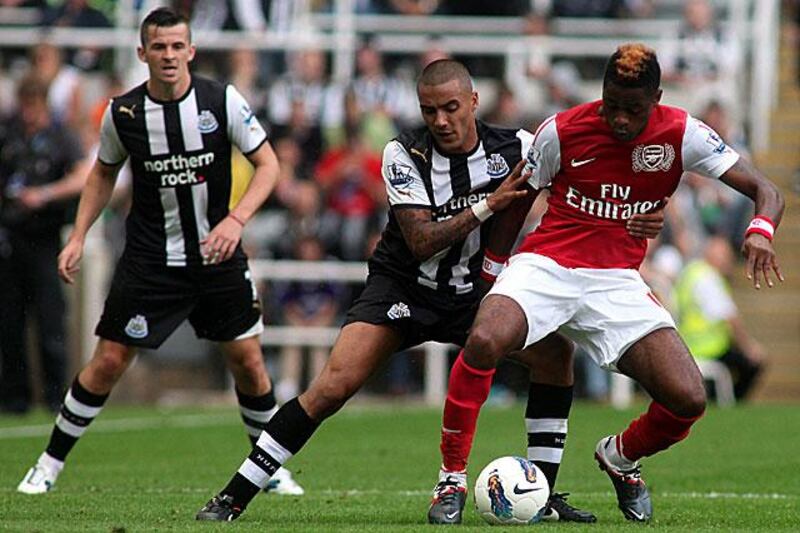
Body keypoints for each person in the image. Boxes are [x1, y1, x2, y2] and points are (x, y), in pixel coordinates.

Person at [194, 58, 665, 523]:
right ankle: (234, 496)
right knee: (332, 387)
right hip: (404, 290)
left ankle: (539, 494)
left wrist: (637, 214)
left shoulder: (517, 146)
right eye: (429, 110)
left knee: (554, 358)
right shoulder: (404, 153)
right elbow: (420, 242)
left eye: (451, 107)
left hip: (477, 293)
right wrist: (487, 206)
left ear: (474, 102)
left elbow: (588, 182)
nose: (440, 120)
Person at [439, 43, 784, 522]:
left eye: (633, 110)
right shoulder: (561, 130)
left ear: (657, 98)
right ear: (600, 92)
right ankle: (450, 482)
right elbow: (519, 200)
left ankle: (620, 457)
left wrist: (760, 231)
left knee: (688, 399)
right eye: (611, 105)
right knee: (484, 338)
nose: (620, 119)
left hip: (617, 281)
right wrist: (492, 273)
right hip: (548, 264)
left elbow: (766, 191)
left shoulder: (684, 134)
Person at [16, 7, 302, 497]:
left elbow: (269, 164)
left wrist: (235, 221)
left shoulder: (222, 100)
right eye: (159, 47)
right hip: (151, 259)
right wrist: (80, 235)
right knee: (108, 360)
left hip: (217, 253)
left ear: (190, 50)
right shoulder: (123, 113)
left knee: (248, 362)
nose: (168, 56)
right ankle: (47, 464)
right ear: (142, 53)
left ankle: (268, 468)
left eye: (177, 46)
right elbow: (103, 173)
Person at [0, 73, 90, 414]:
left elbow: (83, 176)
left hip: (45, 237)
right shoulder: (8, 133)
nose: (28, 115)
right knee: (10, 321)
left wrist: (44, 194)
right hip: (10, 237)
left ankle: (55, 396)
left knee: (51, 319)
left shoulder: (60, 136)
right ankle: (14, 396)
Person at [674, 235, 766, 401]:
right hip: (709, 348)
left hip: (687, 344)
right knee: (752, 364)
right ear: (712, 256)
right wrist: (748, 347)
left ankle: (718, 399)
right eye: (725, 256)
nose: (728, 261)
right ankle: (729, 403)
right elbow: (729, 317)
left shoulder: (691, 272)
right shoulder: (709, 278)